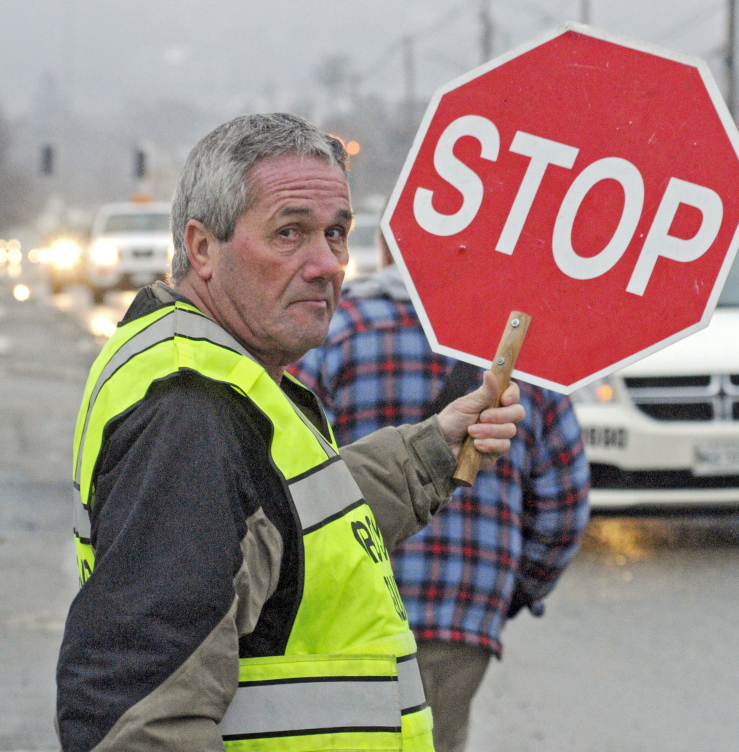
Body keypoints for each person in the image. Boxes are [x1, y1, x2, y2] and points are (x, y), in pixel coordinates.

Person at [55, 113, 525, 752]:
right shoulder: (191, 411)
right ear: (202, 248)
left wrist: (435, 448)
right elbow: (140, 716)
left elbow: (287, 525)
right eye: (290, 233)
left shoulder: (226, 376)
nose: (327, 265)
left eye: (336, 234)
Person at [290, 241, 591, 752]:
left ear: (386, 245)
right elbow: (563, 501)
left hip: (339, 612)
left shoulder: (335, 332)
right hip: (461, 611)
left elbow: (287, 468)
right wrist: (513, 592)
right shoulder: (516, 346)